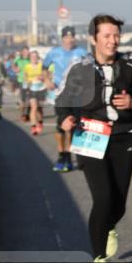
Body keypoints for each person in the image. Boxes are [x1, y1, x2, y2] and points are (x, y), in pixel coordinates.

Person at [56, 15, 132, 263]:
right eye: (107, 36)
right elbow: (62, 98)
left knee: (118, 203)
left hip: (124, 135)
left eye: (116, 35)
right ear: (94, 39)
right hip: (90, 134)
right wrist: (64, 117)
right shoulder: (79, 67)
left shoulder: (131, 65)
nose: (113, 41)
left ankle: (108, 226)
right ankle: (98, 259)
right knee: (103, 198)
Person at [44, 26, 90, 172]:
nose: (69, 40)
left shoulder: (82, 53)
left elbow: (90, 70)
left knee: (71, 125)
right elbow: (44, 67)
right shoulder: (54, 52)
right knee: (60, 125)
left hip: (76, 94)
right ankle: (61, 155)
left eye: (72, 37)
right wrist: (47, 80)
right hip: (59, 93)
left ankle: (68, 158)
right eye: (66, 37)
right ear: (62, 38)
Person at [22, 50, 47, 135]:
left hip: (41, 88)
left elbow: (47, 75)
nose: (34, 58)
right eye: (32, 56)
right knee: (34, 107)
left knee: (39, 109)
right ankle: (33, 127)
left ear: (38, 57)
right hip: (32, 88)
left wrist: (42, 77)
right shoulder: (27, 67)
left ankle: (40, 122)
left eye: (35, 56)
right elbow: (25, 77)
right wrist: (27, 82)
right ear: (30, 58)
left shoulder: (41, 65)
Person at [13, 47, 30, 121]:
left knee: (30, 98)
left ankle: (28, 113)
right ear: (22, 52)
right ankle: (23, 114)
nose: (26, 53)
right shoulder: (18, 59)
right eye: (25, 51)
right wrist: (15, 69)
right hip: (22, 80)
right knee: (23, 99)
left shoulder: (30, 58)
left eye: (27, 51)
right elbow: (13, 64)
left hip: (30, 81)